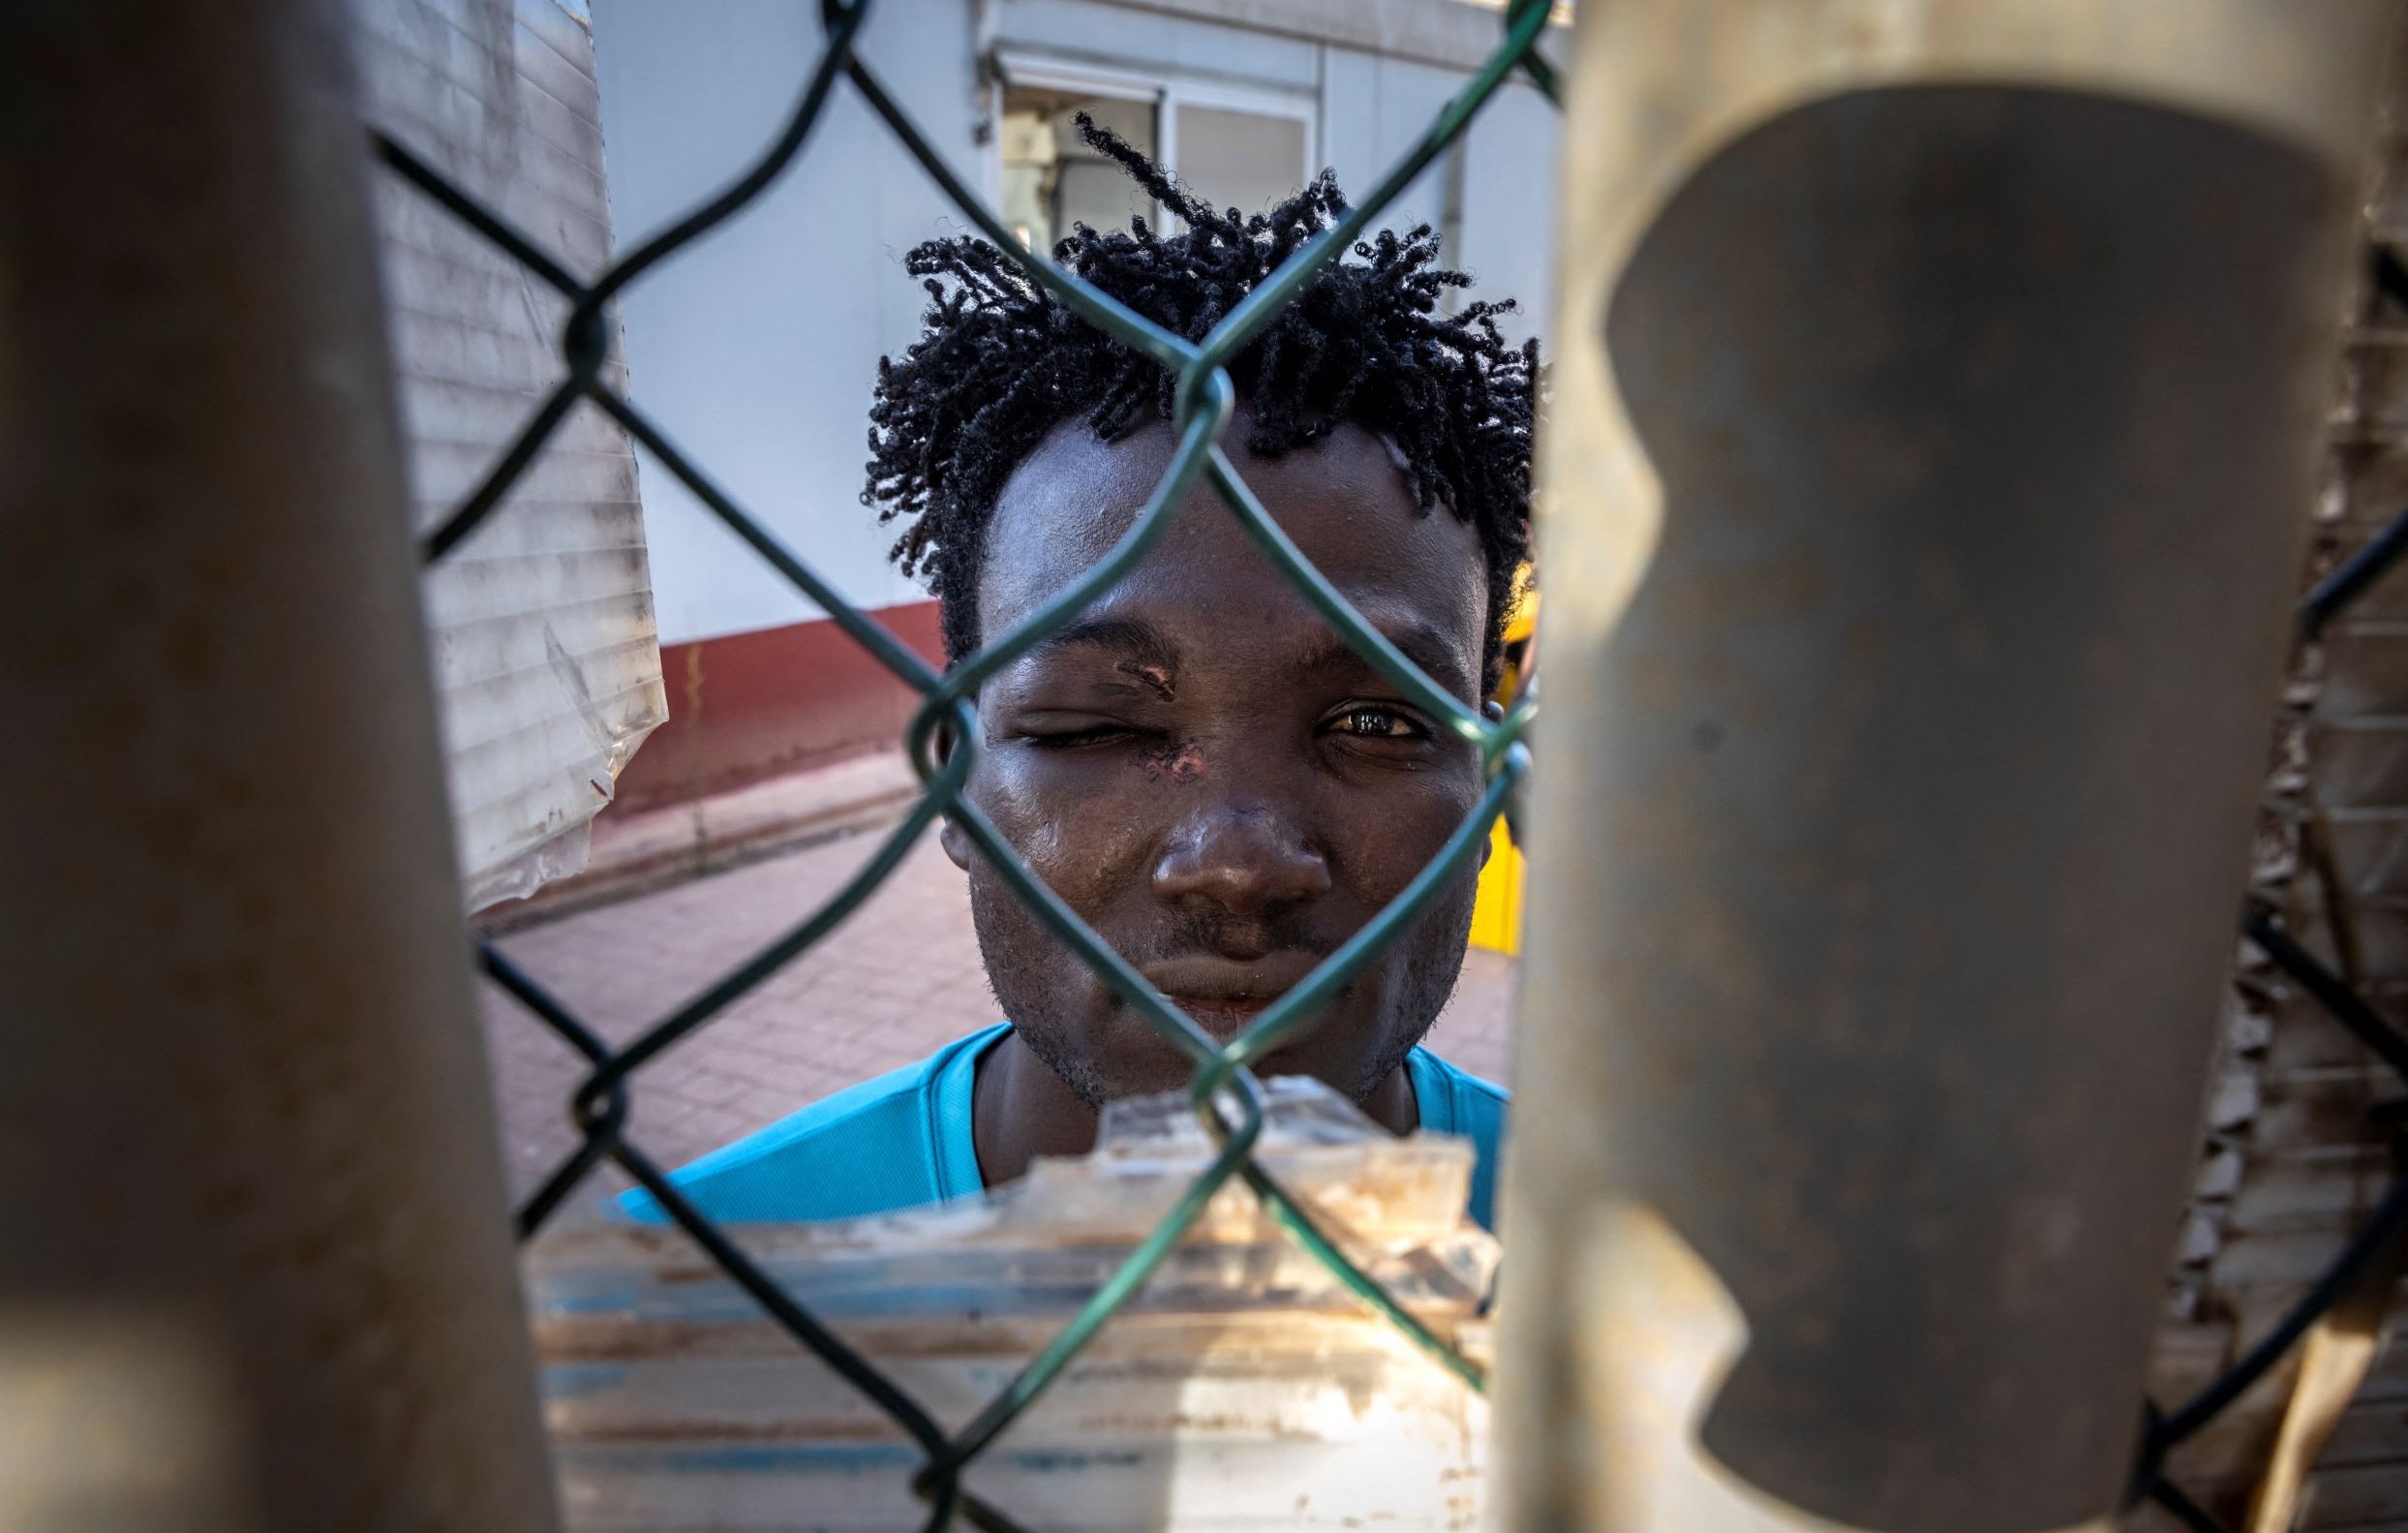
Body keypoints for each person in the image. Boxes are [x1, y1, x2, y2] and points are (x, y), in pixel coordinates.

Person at [629, 121, 1536, 1231]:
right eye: (1095, 726)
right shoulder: (693, 1269)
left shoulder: (1651, 1256)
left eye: (1376, 722)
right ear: (956, 775)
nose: (1239, 863)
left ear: (1488, 780)